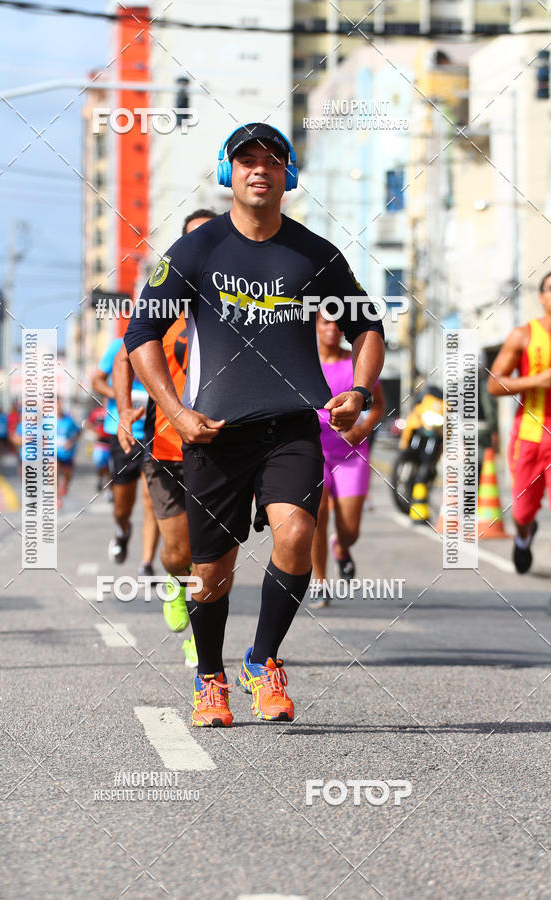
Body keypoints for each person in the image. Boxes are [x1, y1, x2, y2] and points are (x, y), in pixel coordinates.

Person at [125, 122, 385, 727]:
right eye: (246, 161)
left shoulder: (315, 254)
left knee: (296, 533)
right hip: (213, 432)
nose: (259, 169)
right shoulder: (196, 250)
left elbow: (367, 327)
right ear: (228, 173)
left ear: (288, 175)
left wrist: (360, 389)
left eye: (272, 160)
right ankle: (209, 678)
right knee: (211, 571)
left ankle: (264, 660)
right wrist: (175, 410)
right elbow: (141, 336)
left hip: (291, 425)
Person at [115, 209, 217, 668]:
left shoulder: (241, 300)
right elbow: (125, 357)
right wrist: (123, 413)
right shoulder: (164, 301)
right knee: (177, 554)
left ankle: (203, 635)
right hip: (166, 447)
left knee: (211, 555)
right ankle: (176, 585)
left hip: (220, 449)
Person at [309, 311, 385, 609]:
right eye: (325, 322)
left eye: (337, 323)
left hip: (351, 455)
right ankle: (319, 581)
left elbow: (378, 406)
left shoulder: (357, 364)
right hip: (314, 452)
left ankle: (341, 548)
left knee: (350, 531)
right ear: (315, 326)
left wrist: (363, 429)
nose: (332, 328)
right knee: (317, 518)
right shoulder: (306, 362)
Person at [488, 272, 551, 573]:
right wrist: (538, 380)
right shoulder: (523, 335)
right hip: (529, 436)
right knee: (523, 512)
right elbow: (494, 384)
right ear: (540, 297)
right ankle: (524, 538)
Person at [92, 337, 159, 575]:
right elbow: (96, 381)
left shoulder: (162, 343)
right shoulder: (118, 345)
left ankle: (147, 562)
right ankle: (122, 531)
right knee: (123, 506)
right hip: (123, 433)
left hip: (154, 433)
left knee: (152, 500)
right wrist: (122, 395)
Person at [56, 400, 81, 508]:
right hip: (52, 453)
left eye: (58, 405)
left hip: (67, 454)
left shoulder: (69, 421)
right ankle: (57, 498)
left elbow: (78, 433)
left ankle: (65, 485)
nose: (57, 408)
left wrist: (71, 442)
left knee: (67, 476)